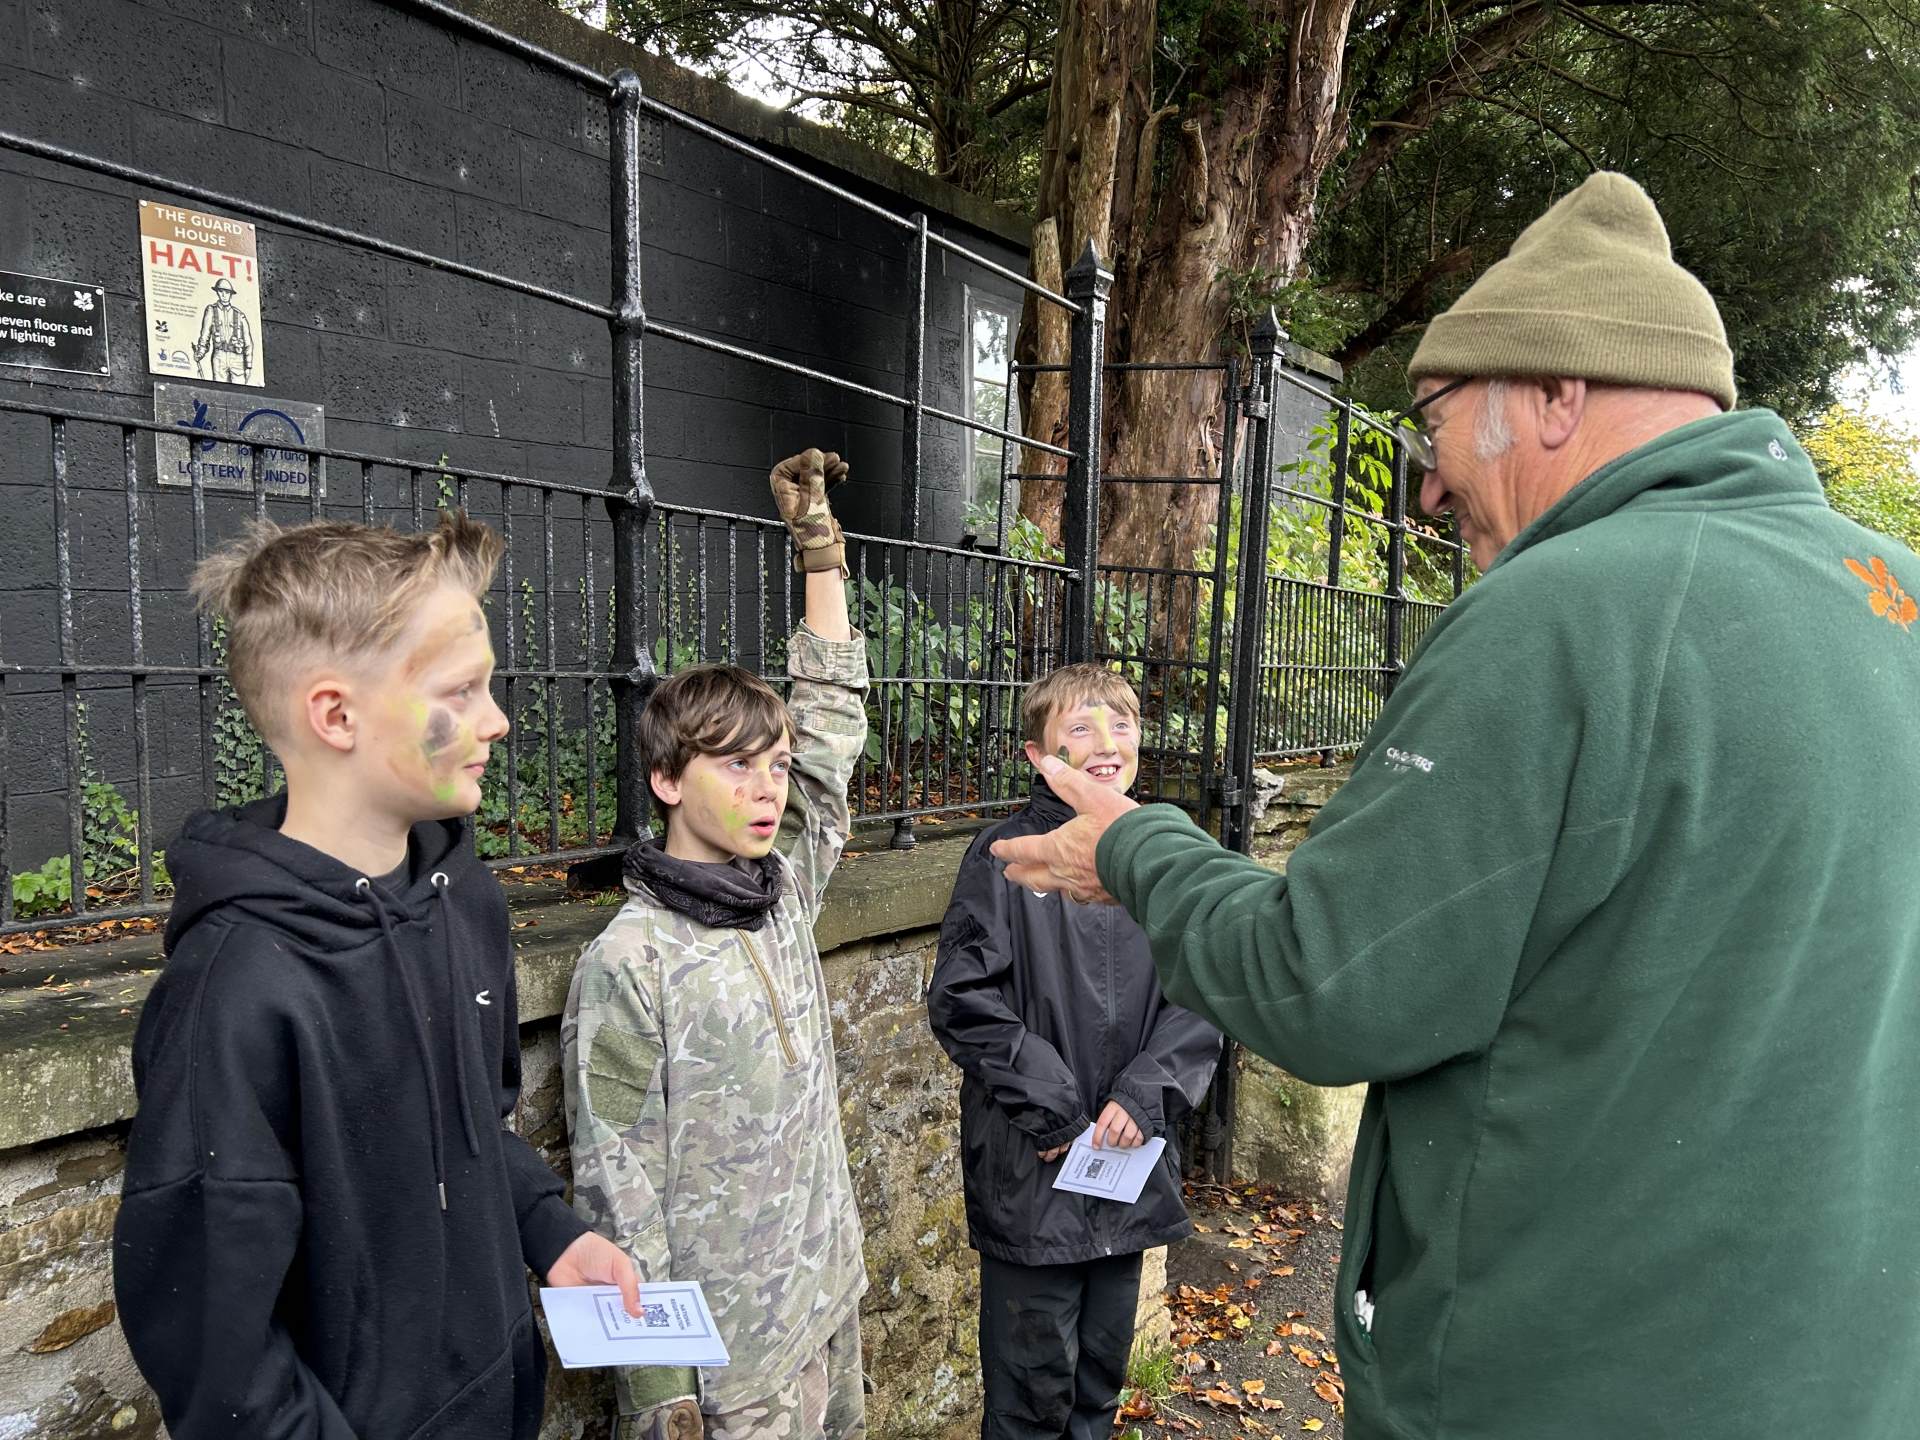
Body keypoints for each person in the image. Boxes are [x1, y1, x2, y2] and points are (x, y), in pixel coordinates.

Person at [989, 171, 1920, 1438]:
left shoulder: (1562, 610)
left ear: (1555, 394)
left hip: (1563, 1380)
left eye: (1434, 421)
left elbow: (1326, 981)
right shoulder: (1893, 598)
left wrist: (1136, 848)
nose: (1426, 487)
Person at [113, 509, 640, 1439]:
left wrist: (550, 1233)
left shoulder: (463, 899)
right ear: (335, 715)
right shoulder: (233, 992)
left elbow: (471, 1127)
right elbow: (215, 1353)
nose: (498, 719)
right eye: (461, 690)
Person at [564, 448, 870, 1440]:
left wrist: (819, 551)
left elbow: (830, 723)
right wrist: (662, 1394)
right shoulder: (629, 962)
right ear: (666, 781)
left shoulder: (783, 891)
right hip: (729, 1370)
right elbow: (616, 1187)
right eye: (736, 767)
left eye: (774, 766)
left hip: (827, 1302)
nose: (767, 788)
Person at [927, 663, 1219, 1440]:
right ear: (1038, 754)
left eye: (1121, 724)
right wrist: (1053, 1106)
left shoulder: (1167, 857)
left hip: (1128, 1165)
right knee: (1031, 1396)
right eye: (1080, 728)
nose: (1106, 743)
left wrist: (1147, 1094)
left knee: (1098, 1384)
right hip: (1035, 1168)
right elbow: (963, 999)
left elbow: (1205, 991)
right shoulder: (1004, 856)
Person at [194, 276, 253, 383]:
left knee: (240, 388)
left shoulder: (239, 315)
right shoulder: (211, 310)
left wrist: (248, 365)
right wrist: (200, 352)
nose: (224, 295)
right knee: (219, 388)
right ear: (217, 292)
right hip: (219, 356)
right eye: (221, 291)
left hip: (237, 357)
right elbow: (205, 335)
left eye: (227, 292)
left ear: (230, 294)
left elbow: (248, 341)